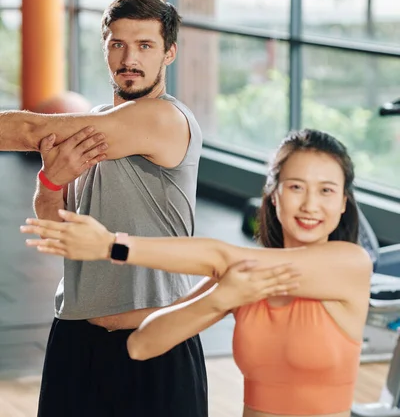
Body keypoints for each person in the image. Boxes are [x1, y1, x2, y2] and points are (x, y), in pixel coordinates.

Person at [1, 0, 296, 417]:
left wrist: (46, 150)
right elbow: (56, 226)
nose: (129, 59)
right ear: (105, 48)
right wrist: (51, 180)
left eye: (145, 46)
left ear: (169, 53)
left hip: (155, 338)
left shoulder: (162, 119)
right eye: (118, 44)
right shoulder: (97, 124)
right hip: (76, 337)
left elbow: (29, 129)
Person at [22, 129, 373, 417]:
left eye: (327, 190)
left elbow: (220, 255)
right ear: (274, 196)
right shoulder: (242, 277)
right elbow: (142, 345)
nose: (311, 204)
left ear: (343, 202)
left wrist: (110, 245)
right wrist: (222, 298)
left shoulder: (350, 264)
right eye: (296, 187)